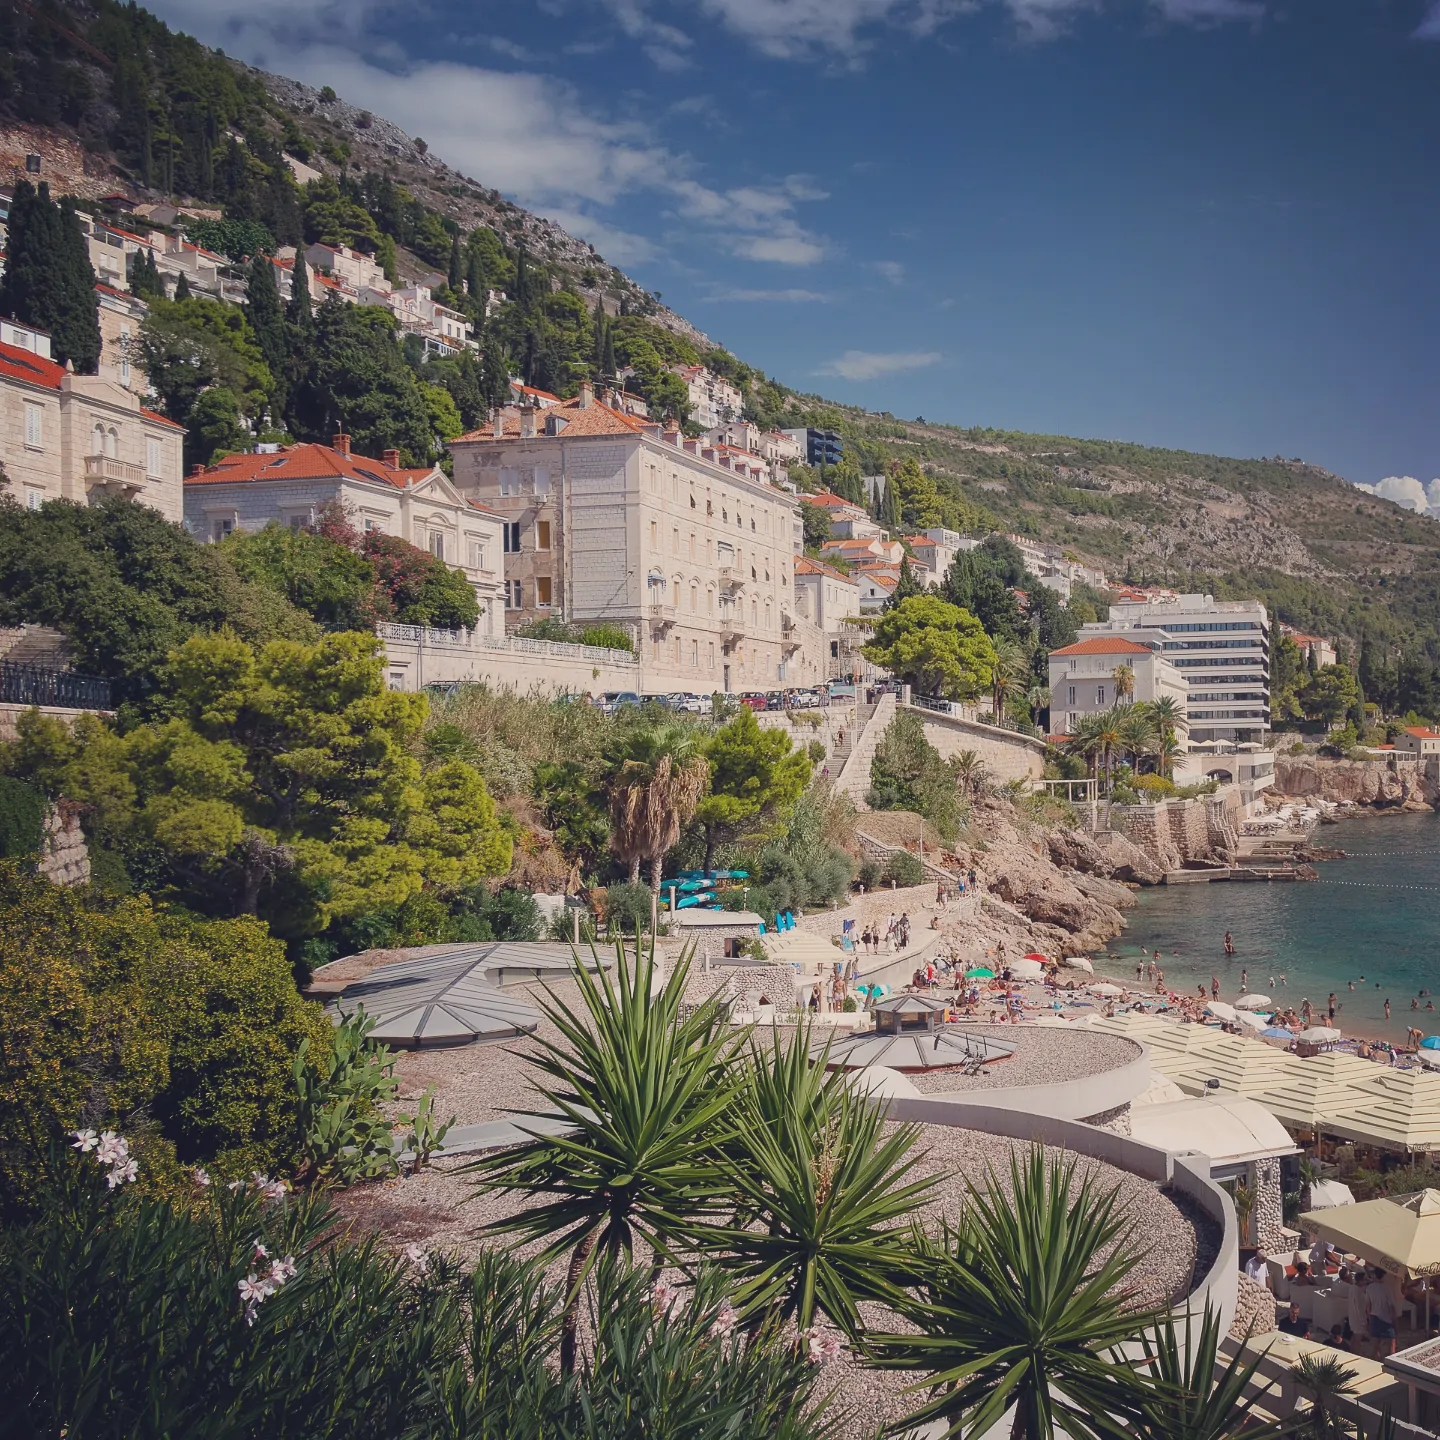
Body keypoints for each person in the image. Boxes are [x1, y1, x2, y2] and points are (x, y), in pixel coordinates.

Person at [1368, 1276, 1400, 1356]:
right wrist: (1395, 1324)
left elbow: (1368, 1306)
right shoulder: (1387, 1289)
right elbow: (1392, 1308)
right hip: (1386, 1321)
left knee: (1374, 1349)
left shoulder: (1370, 1288)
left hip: (1374, 1319)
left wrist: (1370, 1320)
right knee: (1390, 1349)